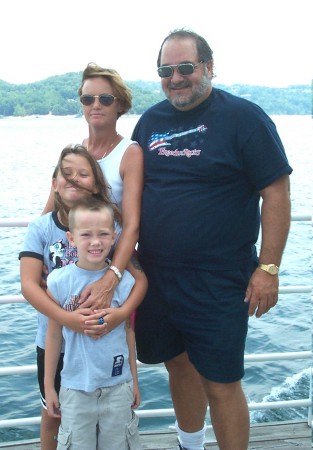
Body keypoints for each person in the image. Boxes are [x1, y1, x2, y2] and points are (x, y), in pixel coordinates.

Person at [131, 29, 292, 450]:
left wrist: (268, 268)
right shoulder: (150, 122)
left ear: (209, 66)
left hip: (220, 277)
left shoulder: (245, 118)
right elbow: (125, 189)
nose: (176, 78)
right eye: (167, 70)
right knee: (178, 365)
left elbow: (276, 193)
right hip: (158, 275)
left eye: (186, 67)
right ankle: (189, 444)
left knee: (222, 381)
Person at [20, 145, 146, 450]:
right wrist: (68, 320)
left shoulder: (108, 226)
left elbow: (138, 279)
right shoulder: (41, 228)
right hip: (54, 338)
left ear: (96, 183)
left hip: (105, 348)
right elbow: (28, 284)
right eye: (66, 173)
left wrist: (120, 312)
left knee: (108, 420)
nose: (74, 179)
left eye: (83, 173)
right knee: (55, 412)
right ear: (54, 183)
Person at [43, 63, 144, 311]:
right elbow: (49, 210)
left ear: (120, 104)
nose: (95, 105)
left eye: (106, 99)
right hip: (68, 258)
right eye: (88, 99)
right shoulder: (75, 152)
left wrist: (113, 276)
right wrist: (39, 256)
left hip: (106, 255)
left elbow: (131, 225)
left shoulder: (130, 153)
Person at [45, 198, 144, 450]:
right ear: (72, 238)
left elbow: (129, 333)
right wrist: (49, 385)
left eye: (103, 234)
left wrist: (133, 380)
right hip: (75, 387)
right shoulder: (58, 282)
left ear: (114, 237)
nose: (96, 241)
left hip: (118, 385)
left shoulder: (125, 283)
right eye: (86, 234)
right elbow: (54, 336)